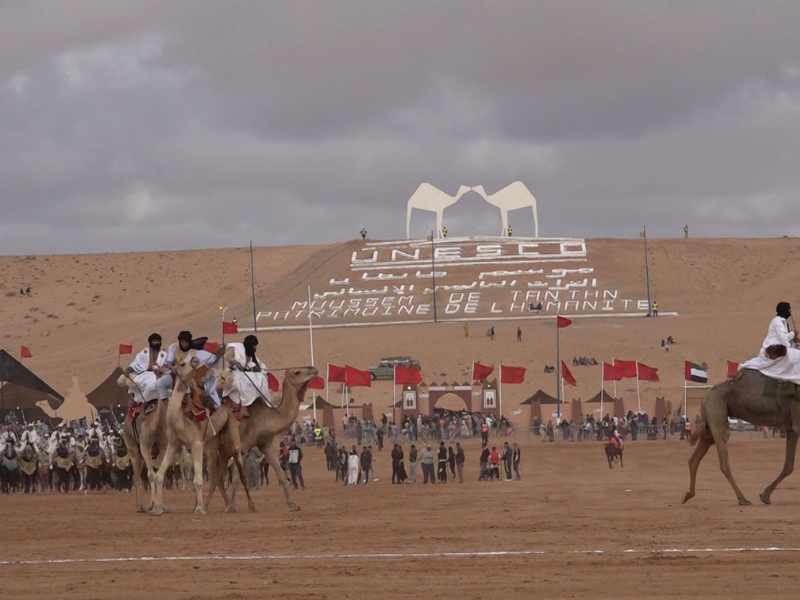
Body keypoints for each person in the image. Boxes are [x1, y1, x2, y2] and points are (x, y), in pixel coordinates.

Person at [221, 335, 271, 411]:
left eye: (255, 346)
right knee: (246, 383)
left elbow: (259, 364)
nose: (255, 348)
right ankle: (244, 405)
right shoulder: (236, 348)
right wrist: (237, 363)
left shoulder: (250, 353)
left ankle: (264, 403)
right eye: (254, 346)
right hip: (233, 372)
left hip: (244, 373)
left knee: (262, 378)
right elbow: (227, 357)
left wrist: (261, 370)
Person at [124, 333, 168, 405]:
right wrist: (128, 369)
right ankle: (139, 403)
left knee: (154, 385)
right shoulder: (144, 352)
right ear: (150, 342)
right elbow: (136, 363)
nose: (156, 343)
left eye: (158, 341)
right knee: (136, 383)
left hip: (158, 375)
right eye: (155, 341)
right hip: (145, 373)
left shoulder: (164, 354)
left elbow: (167, 365)